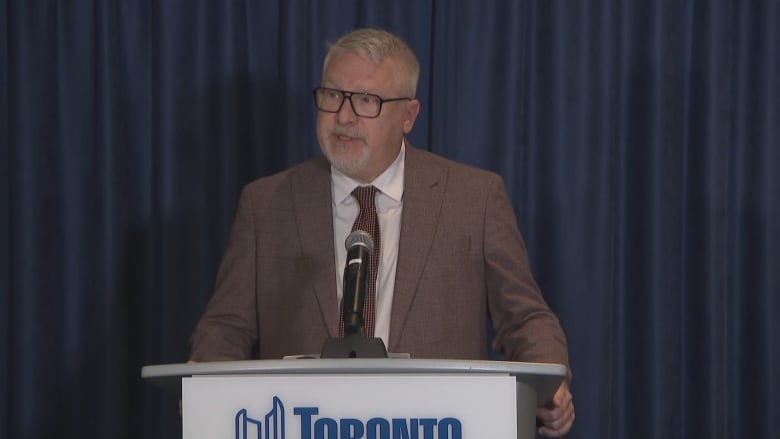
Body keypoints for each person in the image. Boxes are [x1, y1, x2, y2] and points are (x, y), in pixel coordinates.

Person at [189, 28, 574, 437]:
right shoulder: (265, 204)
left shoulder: (474, 199)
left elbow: (526, 317)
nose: (344, 117)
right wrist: (203, 386)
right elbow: (226, 327)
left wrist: (553, 385)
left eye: (367, 101)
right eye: (332, 96)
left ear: (408, 116)